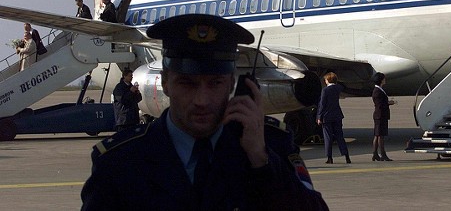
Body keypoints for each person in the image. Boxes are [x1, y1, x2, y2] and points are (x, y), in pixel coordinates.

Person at [81, 14, 329, 210]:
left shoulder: (272, 147)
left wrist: (261, 161)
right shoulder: (119, 163)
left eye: (215, 83)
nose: (202, 100)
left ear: (233, 84)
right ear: (165, 82)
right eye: (187, 83)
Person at [316, 72, 351, 164]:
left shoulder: (325, 90)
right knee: (340, 136)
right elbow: (339, 86)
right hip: (337, 115)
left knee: (328, 137)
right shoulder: (338, 88)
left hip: (327, 116)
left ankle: (329, 157)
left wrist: (319, 116)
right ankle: (346, 156)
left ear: (327, 80)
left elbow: (322, 104)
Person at [371, 72, 395, 161]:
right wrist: (389, 103)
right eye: (384, 79)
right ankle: (382, 154)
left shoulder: (379, 89)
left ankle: (375, 154)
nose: (385, 80)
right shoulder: (377, 91)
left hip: (380, 115)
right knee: (380, 136)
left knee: (378, 135)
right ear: (381, 80)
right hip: (380, 115)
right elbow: (379, 104)